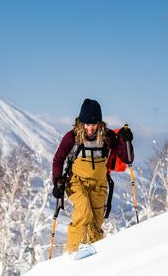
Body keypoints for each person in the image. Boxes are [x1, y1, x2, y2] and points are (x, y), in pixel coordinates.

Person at [51, 98, 134, 253]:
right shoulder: (72, 137)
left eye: (93, 124)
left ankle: (94, 260)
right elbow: (58, 160)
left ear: (99, 123)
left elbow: (127, 158)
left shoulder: (107, 136)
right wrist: (57, 182)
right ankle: (73, 252)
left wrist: (125, 140)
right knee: (83, 212)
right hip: (76, 182)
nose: (90, 128)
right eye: (87, 124)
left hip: (99, 185)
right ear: (81, 122)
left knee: (96, 223)